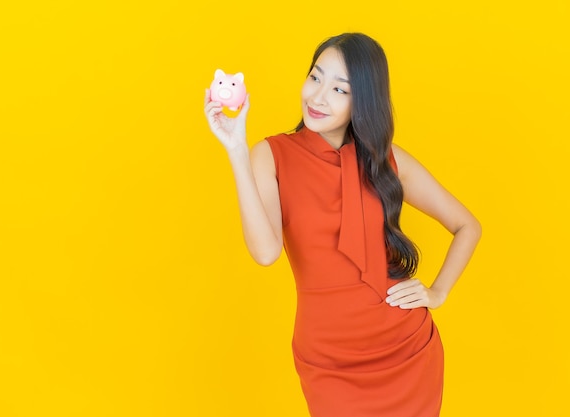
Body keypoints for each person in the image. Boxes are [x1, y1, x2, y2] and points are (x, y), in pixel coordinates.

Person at [203, 32, 481, 417]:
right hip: (329, 363)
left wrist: (438, 292)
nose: (318, 97)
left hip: (405, 353)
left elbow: (467, 225)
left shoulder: (386, 160)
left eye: (339, 89)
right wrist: (235, 149)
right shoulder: (271, 154)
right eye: (315, 78)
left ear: (362, 102)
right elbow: (265, 253)